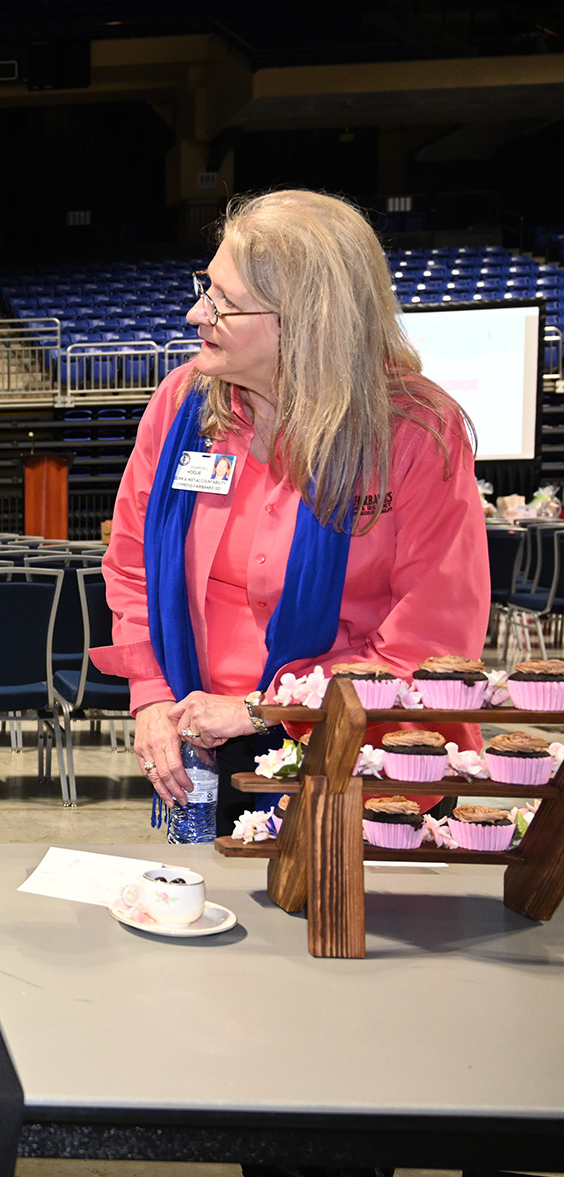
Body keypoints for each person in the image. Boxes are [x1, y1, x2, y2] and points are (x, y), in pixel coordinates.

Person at [95, 189, 487, 842]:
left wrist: (261, 710)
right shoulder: (181, 404)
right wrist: (154, 697)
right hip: (209, 749)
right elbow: (132, 564)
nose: (197, 313)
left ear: (307, 321)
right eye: (205, 287)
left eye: (223, 301)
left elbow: (429, 644)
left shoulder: (416, 432)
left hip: (368, 757)